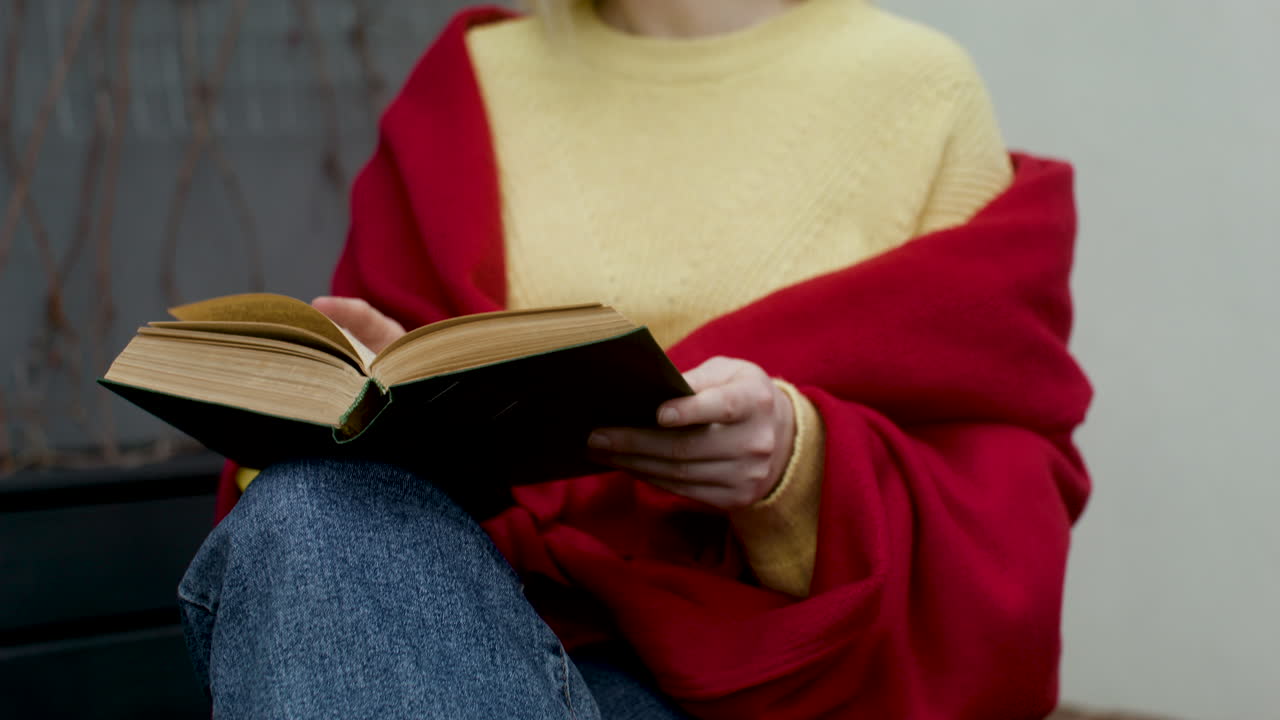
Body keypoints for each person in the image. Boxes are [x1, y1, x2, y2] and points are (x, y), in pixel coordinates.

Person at [182, 1, 1092, 717]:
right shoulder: (471, 81)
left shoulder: (918, 89)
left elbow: (1004, 489)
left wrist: (794, 464)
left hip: (750, 681)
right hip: (475, 625)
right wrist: (377, 402)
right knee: (307, 513)